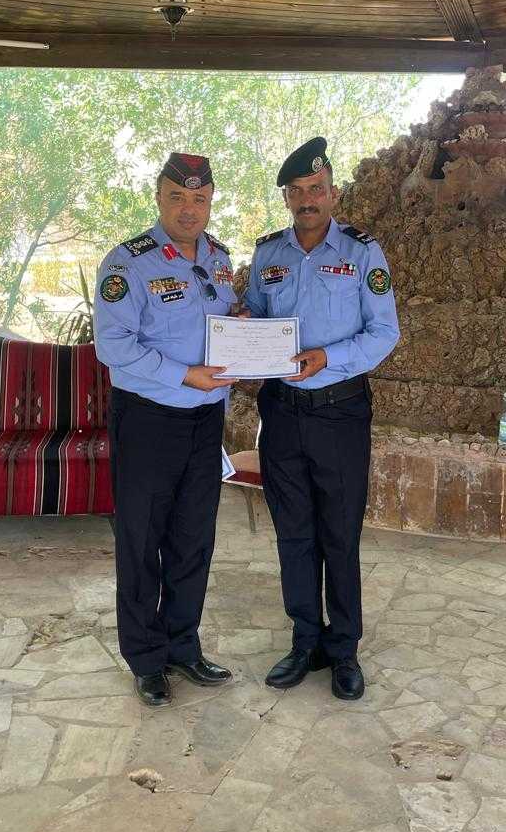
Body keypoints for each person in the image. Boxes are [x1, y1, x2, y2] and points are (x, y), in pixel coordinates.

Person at [245, 137, 399, 700]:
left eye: (317, 189)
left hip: (340, 413)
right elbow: (254, 318)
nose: (307, 199)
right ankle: (304, 641)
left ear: (333, 194)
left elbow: (385, 332)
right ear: (287, 197)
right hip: (282, 414)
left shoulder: (362, 253)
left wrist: (328, 357)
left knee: (339, 534)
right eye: (297, 191)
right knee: (294, 534)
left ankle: (344, 649)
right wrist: (241, 333)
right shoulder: (268, 255)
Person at [94, 152, 237, 706]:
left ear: (210, 202)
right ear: (159, 198)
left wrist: (243, 329)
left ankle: (183, 645)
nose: (189, 209)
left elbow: (222, 322)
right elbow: (113, 346)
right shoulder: (128, 263)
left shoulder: (220, 258)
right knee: (141, 540)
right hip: (149, 419)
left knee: (193, 538)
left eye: (199, 198)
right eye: (178, 197)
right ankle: (146, 659)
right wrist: (184, 374)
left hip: (206, 418)